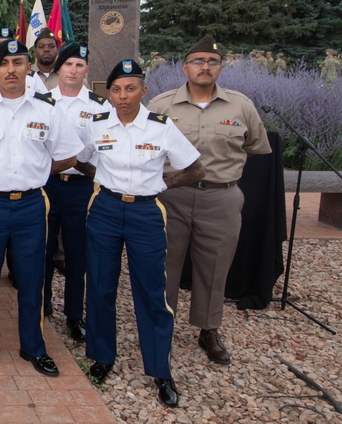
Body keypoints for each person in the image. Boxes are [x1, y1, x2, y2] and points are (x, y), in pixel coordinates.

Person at [0, 39, 83, 376]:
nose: (11, 70)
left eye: (18, 63)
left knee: (32, 278)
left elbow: (68, 154)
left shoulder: (47, 110)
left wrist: (36, 173)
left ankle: (33, 346)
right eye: (4, 63)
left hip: (32, 206)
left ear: (28, 67)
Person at [74, 59, 204, 408]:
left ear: (143, 91)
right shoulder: (98, 125)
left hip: (146, 211)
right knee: (100, 284)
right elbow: (80, 159)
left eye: (130, 88)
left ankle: (160, 369)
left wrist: (162, 184)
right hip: (105, 209)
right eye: (116, 89)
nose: (123, 95)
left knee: (151, 290)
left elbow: (195, 168)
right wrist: (101, 179)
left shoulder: (160, 127)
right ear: (109, 94)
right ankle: (102, 357)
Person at [149, 35, 271, 366]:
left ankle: (208, 329)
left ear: (221, 67)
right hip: (172, 196)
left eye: (212, 61)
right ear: (185, 67)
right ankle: (162, 327)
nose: (205, 67)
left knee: (215, 268)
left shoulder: (240, 106)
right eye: (199, 61)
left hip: (221, 197)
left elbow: (256, 144)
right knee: (165, 266)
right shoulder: (162, 106)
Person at [44, 44, 110, 342]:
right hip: (46, 183)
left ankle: (73, 314)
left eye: (79, 65)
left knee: (76, 252)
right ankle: (42, 306)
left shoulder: (99, 106)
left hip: (82, 187)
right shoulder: (42, 102)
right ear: (58, 68)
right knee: (42, 249)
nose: (73, 70)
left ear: (86, 70)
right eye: (68, 64)